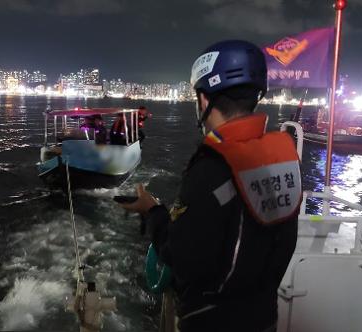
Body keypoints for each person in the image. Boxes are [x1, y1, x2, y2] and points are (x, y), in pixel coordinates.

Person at [119, 40, 302, 331]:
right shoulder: (283, 158)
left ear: (204, 100)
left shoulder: (213, 167)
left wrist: (152, 211)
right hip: (264, 317)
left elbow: (181, 255)